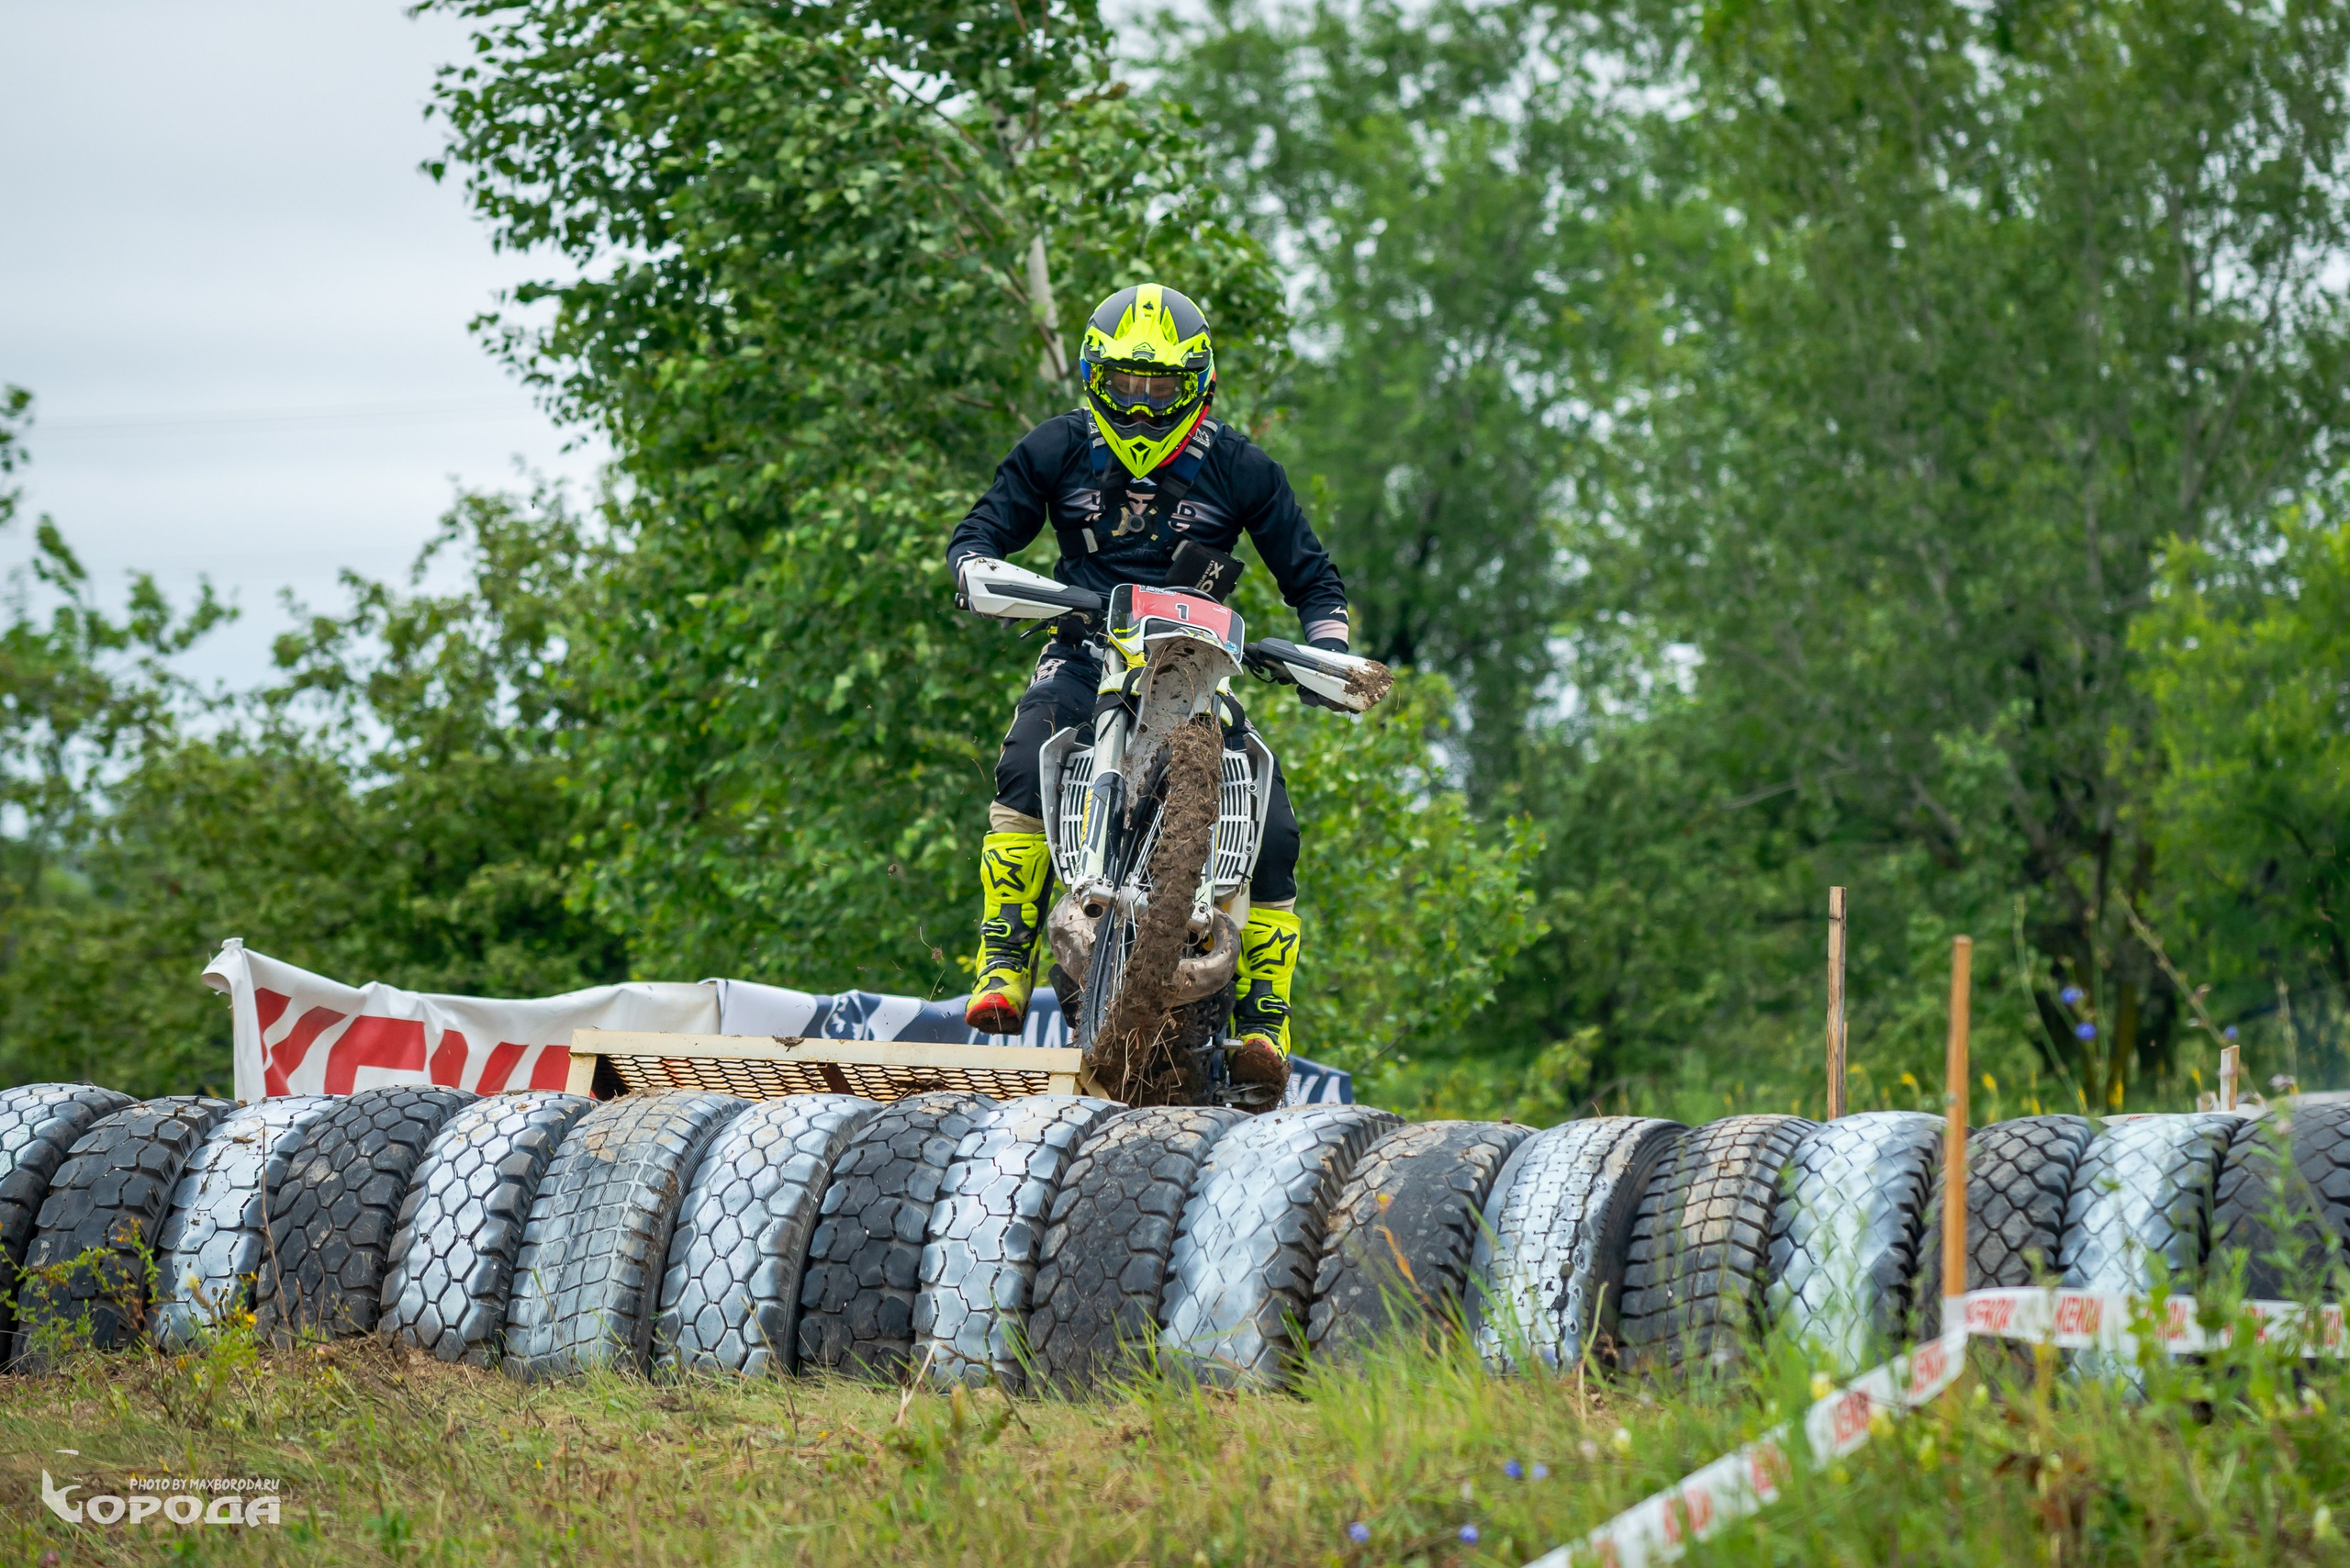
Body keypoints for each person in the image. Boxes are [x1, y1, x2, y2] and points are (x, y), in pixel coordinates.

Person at [946, 283, 1352, 1098]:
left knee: (1274, 827)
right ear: (1098, 376)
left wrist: (1329, 653)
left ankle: (1265, 1022)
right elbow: (977, 537)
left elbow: (1315, 580)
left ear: (1193, 384)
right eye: (1126, 383)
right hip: (1085, 646)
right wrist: (978, 573)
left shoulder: (1241, 467)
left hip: (1195, 664)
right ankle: (1001, 960)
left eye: (1158, 386)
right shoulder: (1057, 448)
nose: (1138, 403)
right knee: (1027, 760)